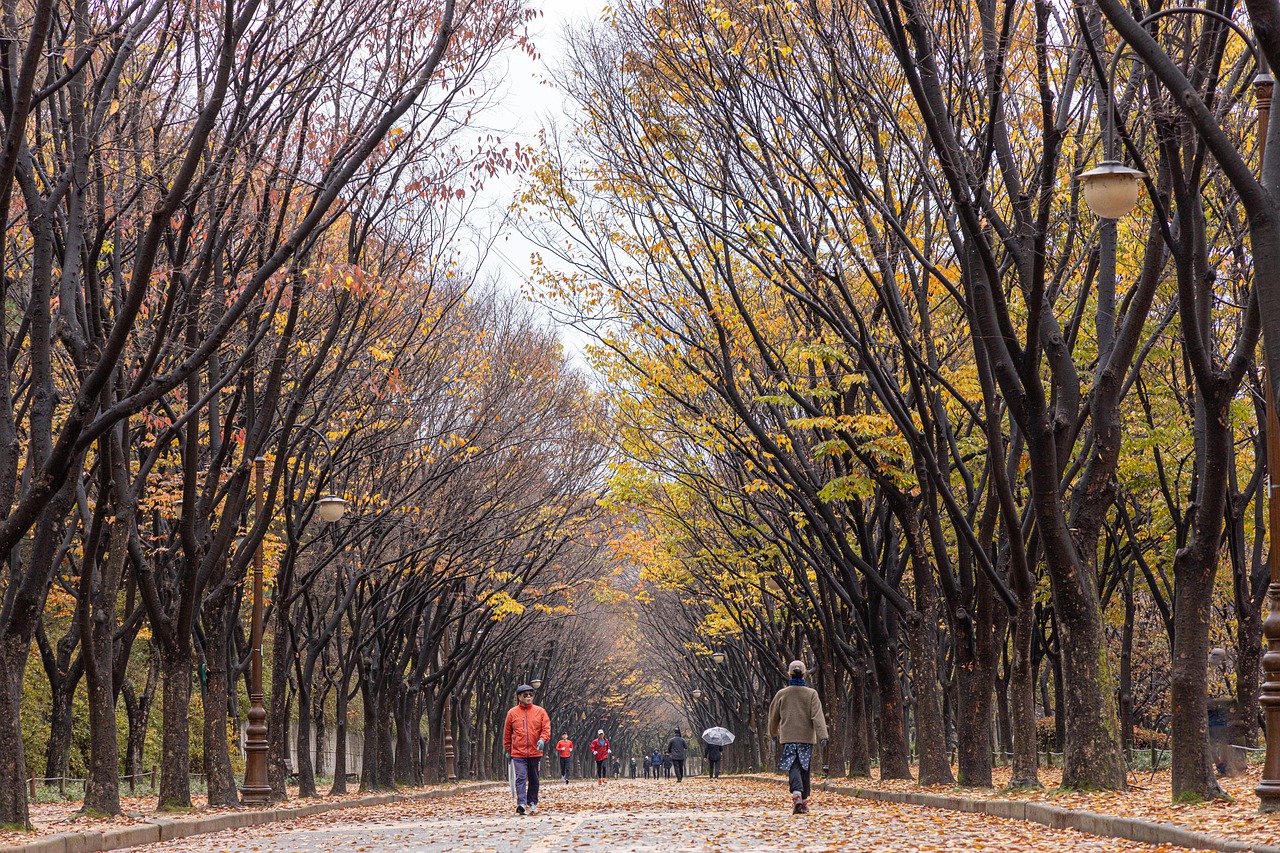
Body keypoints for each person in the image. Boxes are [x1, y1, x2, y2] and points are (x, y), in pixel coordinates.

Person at [768, 660, 828, 814]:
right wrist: (823, 735)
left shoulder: (781, 694)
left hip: (788, 737)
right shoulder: (811, 694)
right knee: (805, 768)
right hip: (806, 738)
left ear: (789, 674)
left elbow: (773, 717)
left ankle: (797, 795)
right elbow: (817, 716)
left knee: (793, 766)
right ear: (804, 674)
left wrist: (773, 733)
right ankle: (805, 800)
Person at [503, 684, 551, 816]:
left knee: (534, 778)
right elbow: (507, 732)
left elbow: (546, 727)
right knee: (521, 777)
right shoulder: (512, 713)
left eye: (531, 694)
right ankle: (521, 804)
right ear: (519, 697)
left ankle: (533, 802)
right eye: (525, 695)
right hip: (518, 752)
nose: (529, 697)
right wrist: (508, 749)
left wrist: (543, 739)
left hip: (535, 751)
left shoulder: (540, 712)